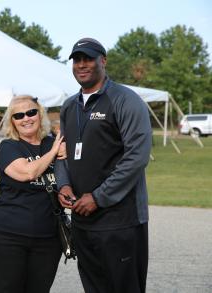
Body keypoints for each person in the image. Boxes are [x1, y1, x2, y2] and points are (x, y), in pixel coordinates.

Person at [55, 38, 152, 293]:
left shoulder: (125, 100)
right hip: (82, 220)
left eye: (88, 58)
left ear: (103, 61)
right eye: (77, 59)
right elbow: (62, 153)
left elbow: (137, 157)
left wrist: (99, 197)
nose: (82, 65)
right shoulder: (69, 106)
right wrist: (63, 184)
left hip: (121, 221)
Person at [0, 95, 66, 293]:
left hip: (48, 237)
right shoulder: (9, 147)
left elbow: (71, 178)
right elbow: (28, 172)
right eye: (18, 115)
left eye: (31, 112)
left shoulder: (53, 143)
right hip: (8, 237)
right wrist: (55, 151)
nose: (26, 118)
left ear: (40, 114)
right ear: (12, 121)